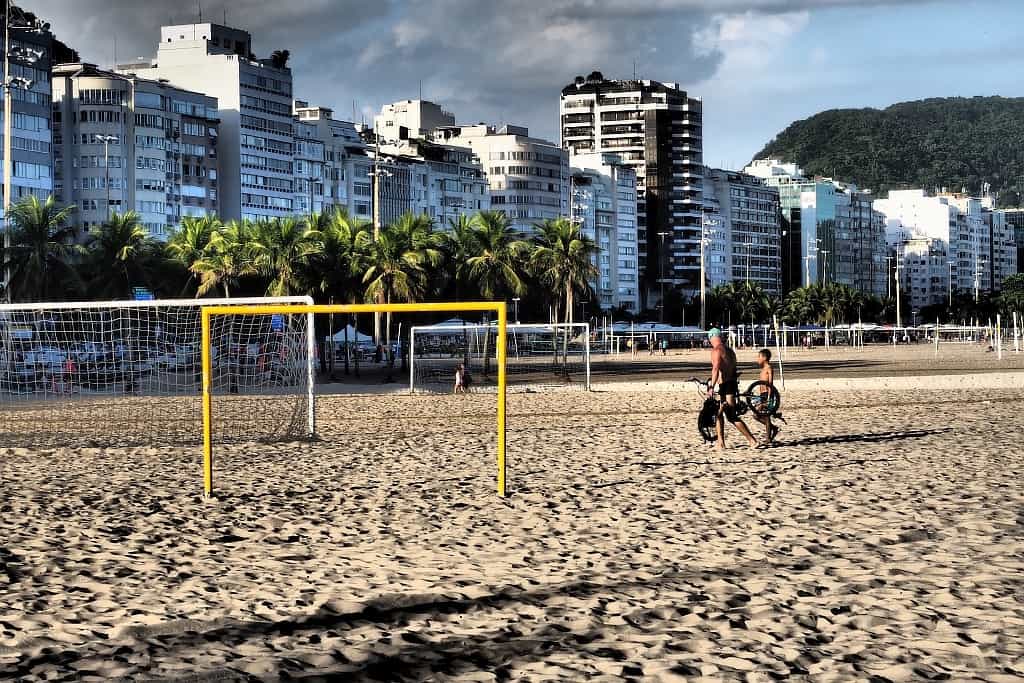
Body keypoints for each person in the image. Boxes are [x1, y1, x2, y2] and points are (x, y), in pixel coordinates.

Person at [706, 328, 759, 450]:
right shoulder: (730, 351)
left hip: (726, 386)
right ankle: (721, 443)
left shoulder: (716, 351)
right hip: (730, 384)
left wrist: (711, 386)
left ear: (712, 338)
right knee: (718, 413)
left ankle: (752, 440)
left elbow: (715, 369)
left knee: (731, 416)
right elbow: (733, 369)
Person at [751, 349, 780, 445]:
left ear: (764, 358)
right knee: (756, 415)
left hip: (767, 394)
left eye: (759, 357)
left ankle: (768, 438)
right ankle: (773, 428)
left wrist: (769, 396)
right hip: (762, 395)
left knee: (766, 416)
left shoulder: (769, 368)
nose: (757, 359)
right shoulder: (763, 369)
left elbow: (770, 383)